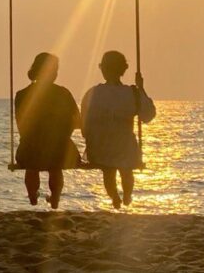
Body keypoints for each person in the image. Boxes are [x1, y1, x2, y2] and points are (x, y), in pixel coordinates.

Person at [81, 50, 156, 209]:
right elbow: (148, 115)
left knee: (108, 171)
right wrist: (141, 89)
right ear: (123, 69)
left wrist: (91, 138)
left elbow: (84, 126)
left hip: (101, 147)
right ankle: (127, 194)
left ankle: (115, 197)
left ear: (103, 69)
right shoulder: (132, 93)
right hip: (124, 146)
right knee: (127, 169)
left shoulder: (93, 93)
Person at [14, 52, 81, 209]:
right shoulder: (63, 93)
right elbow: (77, 121)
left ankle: (32, 195)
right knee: (55, 167)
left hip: (30, 147)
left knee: (31, 166)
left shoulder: (21, 94)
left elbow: (21, 125)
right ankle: (55, 197)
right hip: (60, 147)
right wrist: (63, 133)